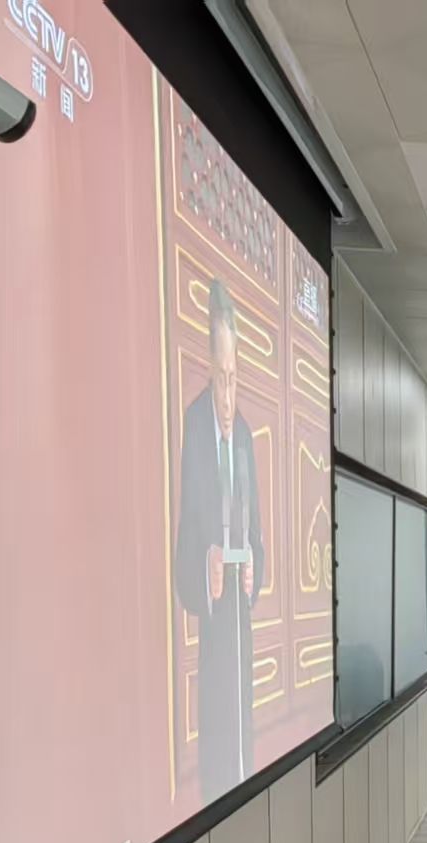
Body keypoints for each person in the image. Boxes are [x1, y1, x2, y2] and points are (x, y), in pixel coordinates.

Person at [173, 277, 265, 804]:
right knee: (217, 731)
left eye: (234, 381)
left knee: (243, 729)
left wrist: (254, 567)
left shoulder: (246, 435)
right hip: (213, 618)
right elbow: (185, 538)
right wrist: (205, 562)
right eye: (220, 380)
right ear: (209, 368)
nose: (228, 399)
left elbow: (259, 538)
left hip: (240, 613)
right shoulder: (193, 425)